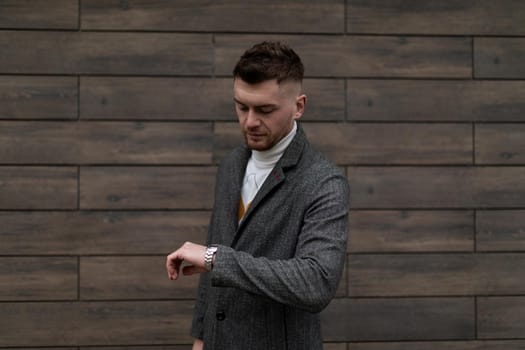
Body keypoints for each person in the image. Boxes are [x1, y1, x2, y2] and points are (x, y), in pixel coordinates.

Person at [166, 41, 349, 350]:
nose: (250, 121)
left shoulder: (325, 182)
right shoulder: (231, 164)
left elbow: (316, 282)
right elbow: (213, 264)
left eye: (265, 110)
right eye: (241, 106)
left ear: (299, 106)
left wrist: (215, 258)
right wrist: (200, 337)